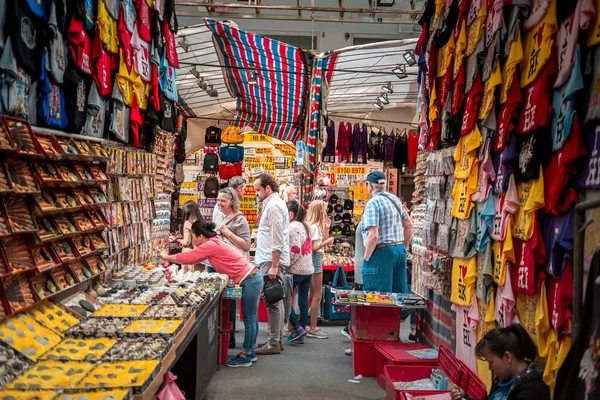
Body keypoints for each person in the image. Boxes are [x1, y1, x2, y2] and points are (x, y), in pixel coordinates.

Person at [158, 220, 263, 368]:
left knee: (250, 319)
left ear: (200, 236)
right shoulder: (214, 242)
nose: (192, 239)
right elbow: (197, 257)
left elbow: (190, 257)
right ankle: (250, 352)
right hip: (252, 277)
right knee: (251, 319)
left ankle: (246, 355)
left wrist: (166, 257)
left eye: (193, 236)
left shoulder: (210, 244)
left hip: (250, 279)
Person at [362, 171, 416, 338]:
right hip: (398, 250)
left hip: (381, 252)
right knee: (396, 296)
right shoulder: (394, 200)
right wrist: (404, 246)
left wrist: (366, 257)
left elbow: (374, 235)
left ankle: (377, 338)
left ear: (370, 186)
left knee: (378, 297)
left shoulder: (373, 203)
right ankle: (392, 336)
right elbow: (409, 225)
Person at [451, 324, 550, 400]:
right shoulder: (503, 381)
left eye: (491, 362)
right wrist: (465, 397)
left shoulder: (532, 392)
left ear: (507, 357)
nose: (490, 368)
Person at [253, 173, 290, 355]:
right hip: (270, 258)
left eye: (258, 190)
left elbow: (277, 237)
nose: (256, 194)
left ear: (268, 188)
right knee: (276, 299)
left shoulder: (274, 206)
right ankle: (277, 340)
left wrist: (274, 265)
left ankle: (274, 342)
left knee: (273, 301)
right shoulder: (275, 204)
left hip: (270, 259)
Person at [216, 187, 251, 349]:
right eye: (218, 200)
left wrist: (227, 233)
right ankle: (223, 338)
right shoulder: (220, 215)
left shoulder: (239, 220)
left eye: (223, 200)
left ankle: (229, 340)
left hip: (233, 267)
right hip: (220, 265)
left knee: (230, 303)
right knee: (223, 302)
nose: (220, 203)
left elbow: (246, 244)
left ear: (232, 202)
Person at [284, 200, 314, 344]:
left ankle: (297, 328)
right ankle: (300, 332)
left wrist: (284, 265)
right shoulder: (305, 226)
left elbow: (295, 249)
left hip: (295, 270)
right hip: (308, 269)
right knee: (302, 302)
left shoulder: (293, 227)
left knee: (284, 299)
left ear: (290, 214)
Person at [305, 200, 334, 339]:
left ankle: (304, 323)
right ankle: (313, 327)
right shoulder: (314, 227)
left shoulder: (312, 226)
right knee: (317, 294)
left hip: (313, 260)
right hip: (315, 260)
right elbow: (313, 248)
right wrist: (325, 242)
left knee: (312, 294)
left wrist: (327, 228)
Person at [178, 201, 203, 271]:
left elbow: (187, 242)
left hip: (189, 253)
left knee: (187, 278)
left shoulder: (188, 222)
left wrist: (177, 240)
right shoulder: (200, 221)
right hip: (201, 253)